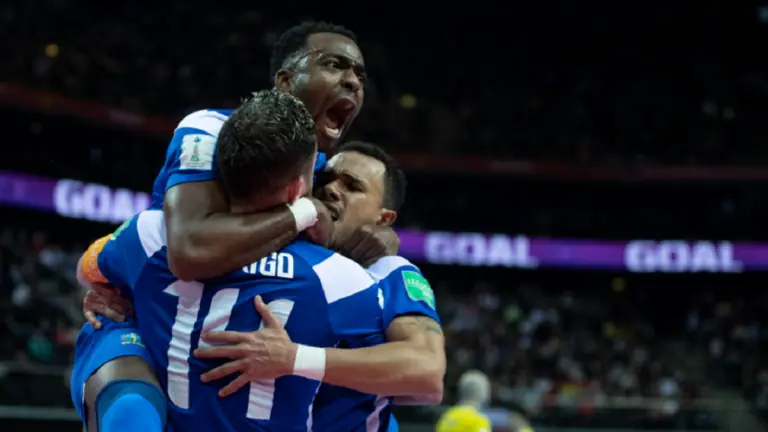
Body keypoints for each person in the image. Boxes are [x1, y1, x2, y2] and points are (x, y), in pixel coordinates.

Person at [73, 21, 396, 432]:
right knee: (132, 410)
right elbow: (189, 253)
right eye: (335, 65)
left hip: (221, 336)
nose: (352, 81)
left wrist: (383, 238)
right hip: (144, 319)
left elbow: (363, 235)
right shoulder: (210, 130)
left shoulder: (323, 171)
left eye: (360, 75)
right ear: (285, 81)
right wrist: (302, 213)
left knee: (373, 410)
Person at [195, 141, 446, 431]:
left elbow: (426, 371)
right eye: (326, 178)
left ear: (384, 218)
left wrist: (294, 359)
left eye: (352, 186)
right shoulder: (275, 249)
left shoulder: (389, 272)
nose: (331, 189)